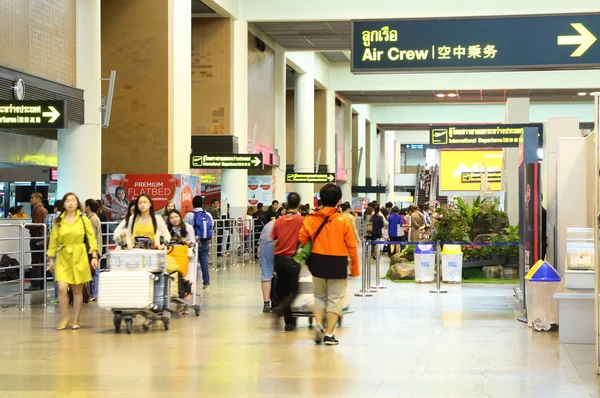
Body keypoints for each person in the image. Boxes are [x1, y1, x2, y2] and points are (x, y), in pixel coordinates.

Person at [299, 184, 359, 346]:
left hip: (317, 260)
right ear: (339, 200)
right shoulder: (343, 221)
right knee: (335, 298)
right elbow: (351, 246)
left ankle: (319, 324)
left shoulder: (311, 218)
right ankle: (329, 334)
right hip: (337, 262)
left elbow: (303, 238)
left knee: (319, 296)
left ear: (321, 199)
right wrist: (354, 268)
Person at [47, 193, 99, 330]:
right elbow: (53, 240)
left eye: (73, 200)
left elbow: (91, 238)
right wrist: (51, 259)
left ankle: (76, 318)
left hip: (79, 256)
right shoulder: (59, 221)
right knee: (62, 287)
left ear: (77, 203)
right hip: (63, 255)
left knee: (77, 290)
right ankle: (65, 316)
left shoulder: (83, 220)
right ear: (63, 204)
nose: (70, 203)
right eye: (67, 200)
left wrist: (94, 256)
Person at [271, 192, 303, 331]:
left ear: (287, 204)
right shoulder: (301, 220)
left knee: (283, 291)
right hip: (293, 259)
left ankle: (289, 322)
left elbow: (274, 241)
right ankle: (281, 308)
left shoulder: (278, 221)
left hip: (278, 259)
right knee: (294, 291)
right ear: (299, 205)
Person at [184, 196, 214, 289]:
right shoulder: (208, 214)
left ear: (192, 204)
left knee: (193, 262)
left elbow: (185, 228)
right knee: (204, 261)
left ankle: (194, 282)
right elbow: (212, 226)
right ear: (202, 204)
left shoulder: (189, 215)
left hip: (193, 241)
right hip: (205, 240)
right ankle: (206, 283)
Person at [25, 193, 49, 290]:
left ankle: (35, 284)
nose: (31, 199)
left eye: (32, 198)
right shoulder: (45, 210)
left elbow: (37, 224)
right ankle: (42, 283)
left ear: (38, 199)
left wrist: (26, 225)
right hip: (42, 237)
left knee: (35, 261)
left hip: (36, 237)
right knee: (42, 261)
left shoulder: (37, 210)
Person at [84, 199, 103, 301]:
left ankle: (93, 294)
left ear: (88, 207)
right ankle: (94, 293)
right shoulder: (95, 217)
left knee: (94, 272)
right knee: (94, 271)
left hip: (93, 249)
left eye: (85, 206)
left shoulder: (91, 219)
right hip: (96, 248)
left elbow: (90, 237)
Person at [44, 200, 62, 302]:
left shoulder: (49, 217)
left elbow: (45, 231)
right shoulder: (66, 218)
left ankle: (57, 296)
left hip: (53, 248)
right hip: (65, 249)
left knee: (56, 274)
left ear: (55, 208)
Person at [258, 219, 276, 313]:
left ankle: (266, 304)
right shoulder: (294, 220)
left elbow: (261, 241)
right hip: (280, 243)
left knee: (266, 274)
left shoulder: (269, 224)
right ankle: (278, 302)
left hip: (265, 244)